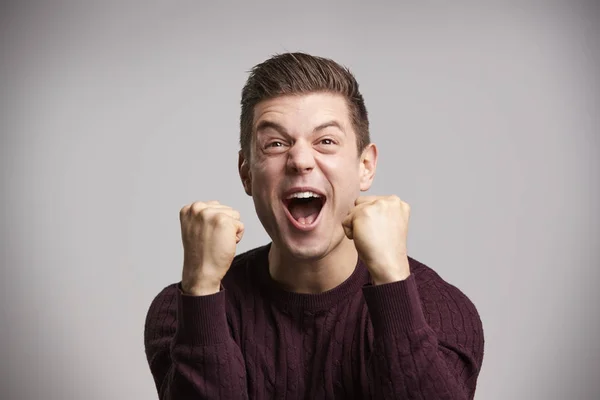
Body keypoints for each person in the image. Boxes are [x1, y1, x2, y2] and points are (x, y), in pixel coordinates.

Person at [144, 52, 485, 399]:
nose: (300, 160)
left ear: (365, 166)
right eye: (276, 144)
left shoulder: (438, 309)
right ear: (247, 173)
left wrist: (393, 282)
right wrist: (201, 290)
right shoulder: (182, 312)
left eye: (326, 141)